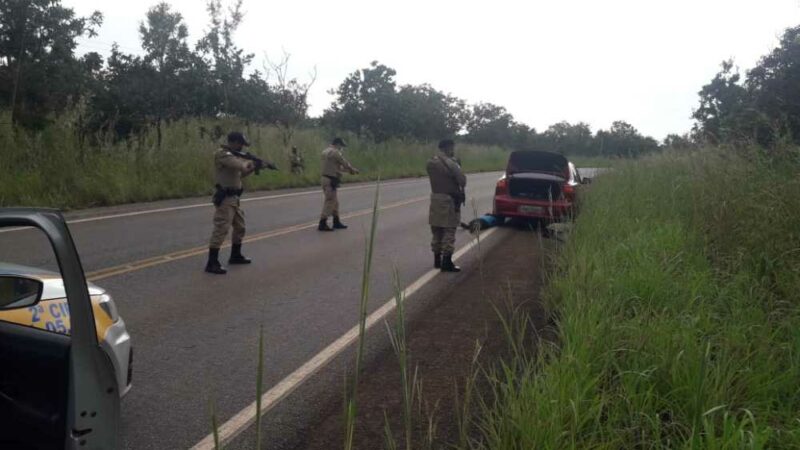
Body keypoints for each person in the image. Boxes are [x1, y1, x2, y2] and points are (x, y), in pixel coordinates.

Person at [205, 131, 272, 274]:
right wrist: (251, 162)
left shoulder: (235, 157)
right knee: (221, 228)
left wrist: (256, 167)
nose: (242, 147)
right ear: (233, 142)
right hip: (225, 198)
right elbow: (240, 165)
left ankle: (235, 255)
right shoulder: (223, 154)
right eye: (240, 144)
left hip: (235, 198)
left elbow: (242, 173)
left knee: (240, 227)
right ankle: (212, 262)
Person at [426, 139, 466, 272]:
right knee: (449, 230)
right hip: (449, 200)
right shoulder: (452, 163)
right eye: (452, 147)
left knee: (436, 229)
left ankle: (437, 260)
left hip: (435, 198)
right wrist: (459, 167)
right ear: (448, 148)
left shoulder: (431, 162)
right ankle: (446, 262)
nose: (453, 149)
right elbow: (462, 181)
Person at [319, 137, 359, 231]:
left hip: (325, 178)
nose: (342, 148)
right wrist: (352, 170)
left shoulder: (325, 151)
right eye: (341, 146)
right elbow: (344, 163)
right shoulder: (335, 152)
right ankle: (322, 222)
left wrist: (348, 171)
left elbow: (336, 167)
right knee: (330, 201)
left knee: (335, 202)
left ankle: (336, 222)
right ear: (337, 144)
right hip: (330, 179)